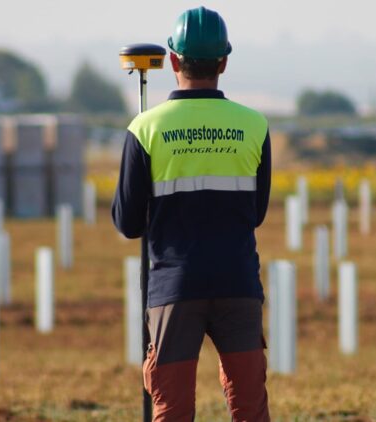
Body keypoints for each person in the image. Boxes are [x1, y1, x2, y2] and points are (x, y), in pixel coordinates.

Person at [111, 6, 272, 421]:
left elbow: (128, 223)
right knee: (250, 407)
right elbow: (255, 213)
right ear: (223, 62)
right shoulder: (254, 126)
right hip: (238, 281)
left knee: (172, 409)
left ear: (173, 60)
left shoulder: (145, 128)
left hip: (173, 287)